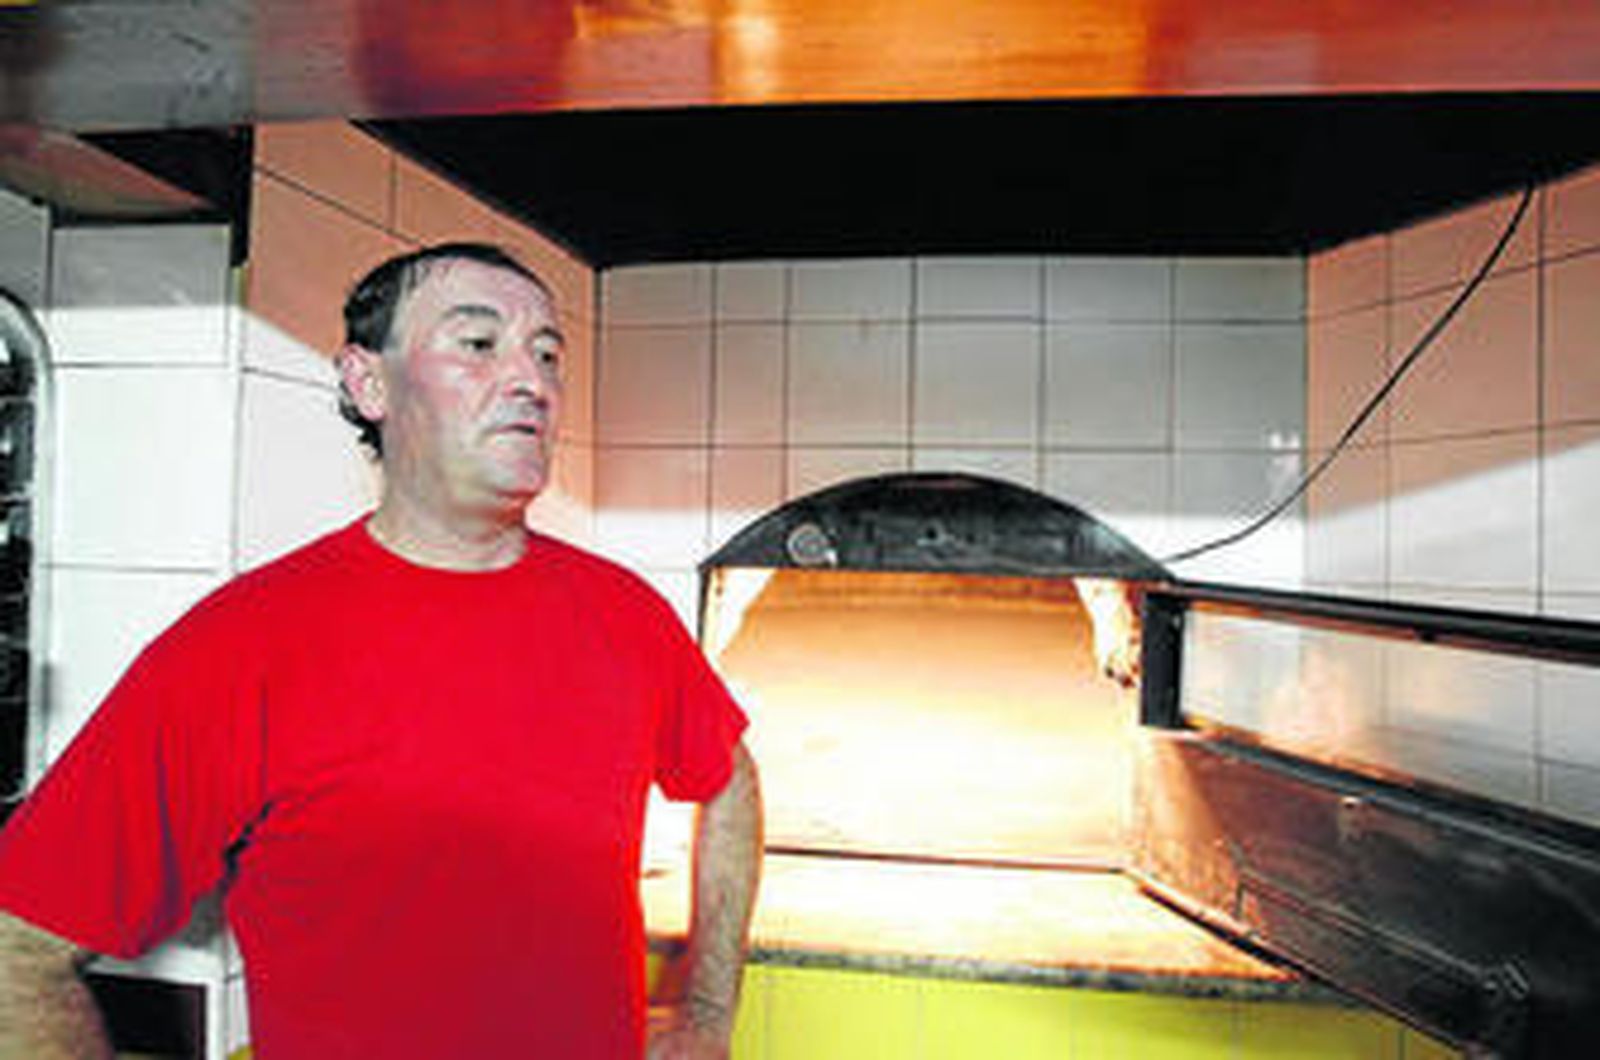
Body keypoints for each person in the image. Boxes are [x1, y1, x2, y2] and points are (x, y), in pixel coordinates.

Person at [0, 242, 762, 1059]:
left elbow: (729, 780)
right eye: (479, 343)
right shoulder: (242, 647)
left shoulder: (625, 615)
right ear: (369, 384)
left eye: (547, 354)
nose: (531, 381)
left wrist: (707, 1011)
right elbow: (19, 954)